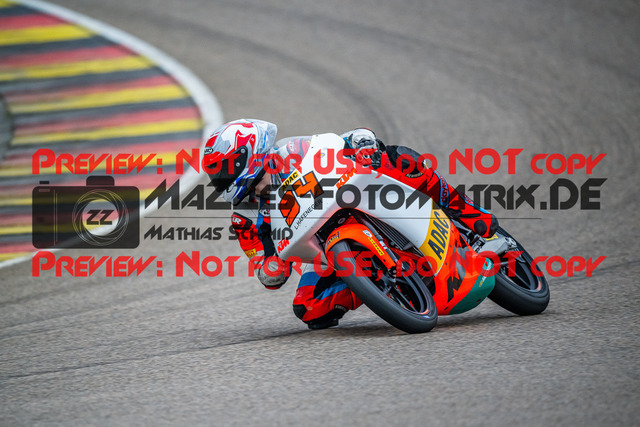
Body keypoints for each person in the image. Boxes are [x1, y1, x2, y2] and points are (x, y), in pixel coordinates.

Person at [204, 119, 499, 329]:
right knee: (308, 308)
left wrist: (360, 143)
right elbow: (263, 264)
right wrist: (270, 269)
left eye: (224, 170)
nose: (221, 180)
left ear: (248, 153)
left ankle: (467, 211)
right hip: (322, 247)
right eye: (217, 175)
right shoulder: (243, 217)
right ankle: (374, 285)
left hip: (357, 196)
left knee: (399, 159)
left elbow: (336, 142)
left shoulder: (291, 150)